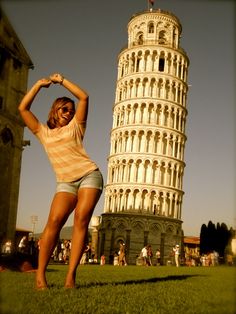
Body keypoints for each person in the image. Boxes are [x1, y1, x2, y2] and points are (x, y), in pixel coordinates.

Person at [18, 73, 103, 289]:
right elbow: (22, 109)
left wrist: (62, 80)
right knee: (54, 222)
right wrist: (38, 84)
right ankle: (40, 277)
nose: (68, 113)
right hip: (65, 182)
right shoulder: (43, 132)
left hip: (89, 175)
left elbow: (84, 97)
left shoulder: (76, 127)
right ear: (55, 110)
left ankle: (70, 277)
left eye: (71, 111)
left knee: (81, 219)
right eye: (64, 109)